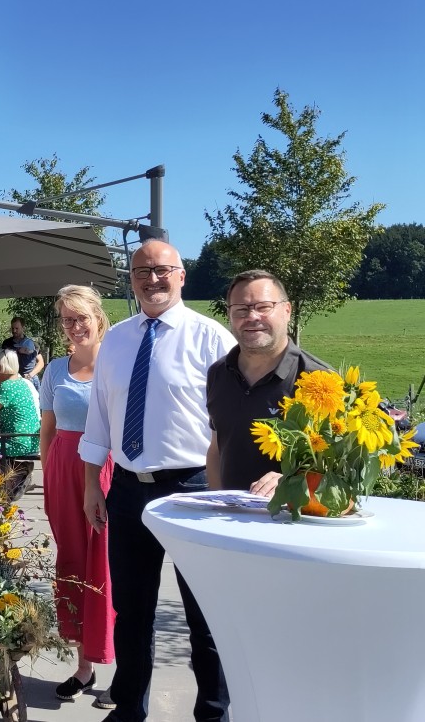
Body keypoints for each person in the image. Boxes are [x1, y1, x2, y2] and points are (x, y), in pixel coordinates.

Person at [80, 240, 235, 721]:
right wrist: (92, 486)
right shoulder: (117, 342)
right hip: (127, 490)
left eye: (162, 270)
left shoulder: (212, 340)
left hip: (193, 488)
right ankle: (128, 708)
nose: (152, 279)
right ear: (131, 279)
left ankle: (213, 712)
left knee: (204, 615)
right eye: (141, 272)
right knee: (132, 611)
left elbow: (230, 425)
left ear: (181, 275)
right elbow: (100, 418)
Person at [38, 285, 115, 702]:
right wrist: (49, 476)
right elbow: (47, 431)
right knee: (71, 565)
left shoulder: (115, 362)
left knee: (108, 567)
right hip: (64, 470)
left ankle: (122, 665)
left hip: (107, 470)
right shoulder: (55, 370)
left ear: (96, 317)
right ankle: (83, 667)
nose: (74, 326)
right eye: (67, 319)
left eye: (81, 317)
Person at [206, 270, 330, 494]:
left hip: (292, 522)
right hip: (228, 521)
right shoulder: (218, 373)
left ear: (287, 310)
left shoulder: (319, 380)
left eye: (263, 307)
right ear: (229, 315)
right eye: (241, 309)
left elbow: (338, 465)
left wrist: (293, 480)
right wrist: (218, 504)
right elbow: (216, 449)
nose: (252, 317)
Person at [0, 348, 41, 492]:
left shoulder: (6, 387)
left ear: (1, 367)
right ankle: (17, 470)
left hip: (16, 441)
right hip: (30, 440)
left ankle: (8, 479)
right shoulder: (21, 383)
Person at [2, 316, 45, 381]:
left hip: (30, 379)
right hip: (12, 379)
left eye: (17, 328)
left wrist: (30, 375)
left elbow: (41, 362)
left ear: (23, 328)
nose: (14, 331)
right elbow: (1, 361)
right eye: (12, 328)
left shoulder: (31, 344)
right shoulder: (7, 343)